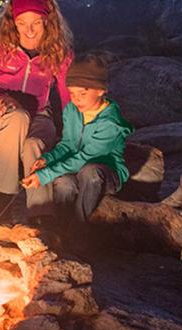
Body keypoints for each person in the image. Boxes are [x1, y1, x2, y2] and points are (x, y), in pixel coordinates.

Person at [0, 0, 72, 223]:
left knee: (33, 145)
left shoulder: (58, 52)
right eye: (22, 22)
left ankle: (41, 214)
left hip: (39, 117)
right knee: (17, 117)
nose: (29, 30)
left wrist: (74, 138)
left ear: (47, 21)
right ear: (12, 22)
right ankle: (5, 200)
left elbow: (68, 99)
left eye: (36, 23)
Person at [22, 53, 133, 228]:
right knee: (64, 183)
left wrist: (44, 176)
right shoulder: (72, 111)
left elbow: (86, 157)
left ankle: (78, 228)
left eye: (83, 92)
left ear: (101, 90)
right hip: (76, 168)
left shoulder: (110, 123)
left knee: (90, 172)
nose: (76, 99)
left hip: (104, 174)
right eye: (72, 93)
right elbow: (68, 144)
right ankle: (60, 229)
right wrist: (47, 160)